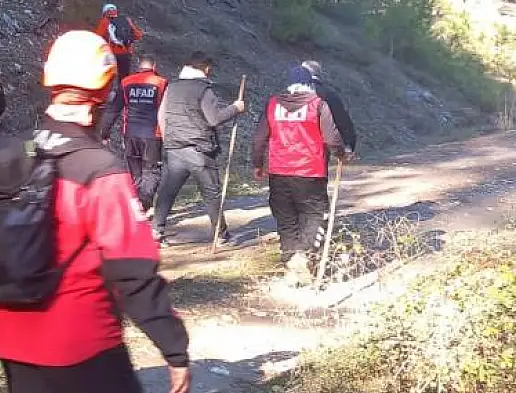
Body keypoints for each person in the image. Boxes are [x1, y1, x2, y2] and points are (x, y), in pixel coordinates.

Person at [0, 30, 192, 393]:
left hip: (13, 335)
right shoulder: (100, 169)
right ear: (105, 88)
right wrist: (174, 347)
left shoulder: (15, 151)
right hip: (81, 337)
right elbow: (132, 271)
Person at [252, 64, 349, 285]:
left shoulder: (272, 104)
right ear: (309, 84)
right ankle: (305, 255)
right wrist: (342, 154)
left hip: (279, 171)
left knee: (286, 218)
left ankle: (290, 261)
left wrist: (258, 163)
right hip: (310, 171)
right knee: (314, 215)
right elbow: (332, 138)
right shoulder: (318, 105)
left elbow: (259, 139)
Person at [152, 52, 245, 246]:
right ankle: (221, 236)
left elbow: (162, 116)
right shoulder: (203, 89)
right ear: (205, 68)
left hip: (174, 148)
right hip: (199, 150)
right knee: (211, 193)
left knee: (168, 191)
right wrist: (235, 108)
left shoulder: (172, 87)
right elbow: (214, 118)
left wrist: (169, 138)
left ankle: (156, 231)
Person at [116, 57, 167, 207]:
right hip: (153, 135)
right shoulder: (161, 83)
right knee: (151, 171)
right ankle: (143, 204)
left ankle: (138, 202)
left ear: (139, 67)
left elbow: (114, 108)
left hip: (130, 134)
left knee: (135, 172)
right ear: (154, 66)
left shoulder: (126, 82)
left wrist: (104, 132)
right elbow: (165, 111)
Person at [94, 4, 142, 134]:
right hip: (126, 54)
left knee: (108, 76)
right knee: (124, 79)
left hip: (112, 53)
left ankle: (105, 98)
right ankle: (122, 101)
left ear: (104, 12)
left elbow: (97, 37)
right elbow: (138, 35)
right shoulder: (126, 20)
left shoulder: (105, 21)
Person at [301, 60, 358, 160]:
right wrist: (348, 144)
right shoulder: (329, 95)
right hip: (317, 153)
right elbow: (342, 121)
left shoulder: (285, 97)